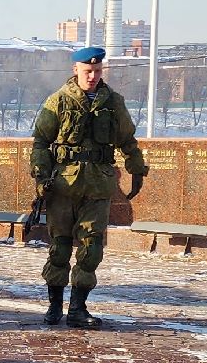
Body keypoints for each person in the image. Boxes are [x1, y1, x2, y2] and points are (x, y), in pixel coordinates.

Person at [30, 47, 147, 328]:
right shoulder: (58, 101)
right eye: (87, 71)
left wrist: (137, 168)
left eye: (97, 71)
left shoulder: (112, 103)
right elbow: (40, 143)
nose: (92, 76)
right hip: (63, 184)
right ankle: (55, 304)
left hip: (98, 184)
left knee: (91, 247)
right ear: (76, 70)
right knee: (59, 248)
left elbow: (127, 140)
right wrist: (41, 177)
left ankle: (78, 308)